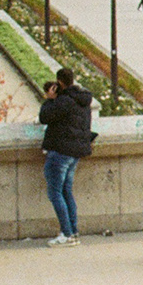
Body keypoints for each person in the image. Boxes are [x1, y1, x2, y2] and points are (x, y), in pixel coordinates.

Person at [37, 69, 93, 246]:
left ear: (59, 82)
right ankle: (73, 232)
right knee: (66, 191)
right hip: (75, 152)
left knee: (55, 193)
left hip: (60, 151)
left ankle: (66, 234)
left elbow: (44, 117)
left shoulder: (63, 101)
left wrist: (49, 99)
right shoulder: (82, 99)